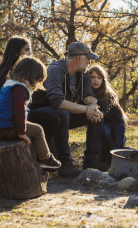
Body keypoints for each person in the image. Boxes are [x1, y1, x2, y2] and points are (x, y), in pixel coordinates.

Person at [29, 42, 108, 177]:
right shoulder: (55, 70)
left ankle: (91, 160)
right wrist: (85, 109)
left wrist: (93, 105)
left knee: (97, 113)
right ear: (79, 58)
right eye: (88, 58)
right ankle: (64, 163)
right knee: (63, 113)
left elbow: (87, 95)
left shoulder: (83, 73)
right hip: (42, 113)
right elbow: (57, 102)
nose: (90, 62)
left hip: (62, 113)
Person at [0, 36, 61, 152]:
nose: (31, 53)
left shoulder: (18, 70)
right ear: (16, 52)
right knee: (53, 119)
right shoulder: (10, 72)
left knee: (53, 114)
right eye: (27, 49)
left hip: (13, 113)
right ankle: (42, 154)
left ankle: (46, 152)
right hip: (10, 117)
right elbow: (3, 101)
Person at [0, 56, 61, 171]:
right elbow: (19, 110)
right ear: (30, 75)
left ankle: (39, 155)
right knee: (38, 130)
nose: (38, 82)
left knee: (34, 126)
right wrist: (22, 132)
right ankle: (45, 159)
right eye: (38, 79)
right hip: (6, 128)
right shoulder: (20, 89)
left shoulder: (10, 83)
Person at [89, 65, 128, 164]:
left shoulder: (107, 93)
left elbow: (104, 111)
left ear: (103, 80)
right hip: (103, 122)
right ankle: (109, 158)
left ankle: (131, 153)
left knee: (118, 148)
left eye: (99, 78)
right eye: (92, 77)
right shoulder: (87, 92)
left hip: (117, 122)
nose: (95, 80)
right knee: (107, 137)